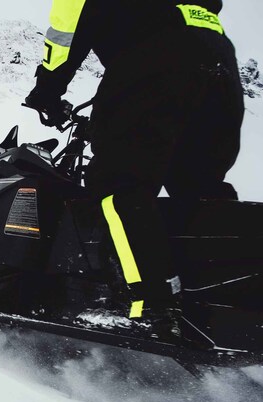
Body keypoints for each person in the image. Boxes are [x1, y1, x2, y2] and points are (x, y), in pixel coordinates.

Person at [23, 0, 244, 338]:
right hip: (221, 67)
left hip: (156, 61)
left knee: (118, 185)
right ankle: (227, 303)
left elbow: (67, 29)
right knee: (200, 189)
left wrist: (47, 92)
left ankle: (150, 306)